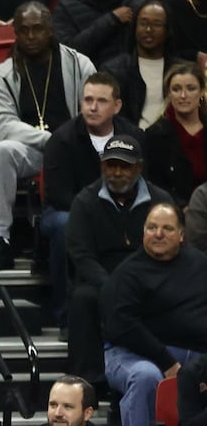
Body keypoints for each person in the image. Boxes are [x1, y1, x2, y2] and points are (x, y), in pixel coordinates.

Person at [0, 2, 97, 271]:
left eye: (37, 29)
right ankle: (1, 238)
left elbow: (93, 112)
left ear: (50, 30)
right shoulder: (4, 73)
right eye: (23, 31)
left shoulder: (80, 65)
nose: (31, 37)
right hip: (30, 149)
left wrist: (64, 140)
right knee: (2, 151)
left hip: (73, 149)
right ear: (16, 34)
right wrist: (49, 139)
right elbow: (3, 125)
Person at [102, 201, 207, 426]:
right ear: (143, 233)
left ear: (182, 235)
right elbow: (122, 326)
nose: (158, 234)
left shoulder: (200, 264)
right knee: (145, 377)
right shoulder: (127, 273)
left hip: (196, 356)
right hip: (132, 355)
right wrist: (166, 362)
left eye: (167, 228)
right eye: (152, 227)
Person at [64, 134, 172, 378]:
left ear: (139, 167)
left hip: (148, 280)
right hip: (101, 283)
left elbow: (171, 247)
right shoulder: (85, 201)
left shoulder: (160, 201)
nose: (117, 172)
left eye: (125, 166)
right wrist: (112, 286)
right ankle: (86, 382)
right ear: (102, 166)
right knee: (83, 299)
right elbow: (81, 254)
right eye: (112, 165)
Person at [40, 73, 143, 321]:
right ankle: (65, 313)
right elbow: (57, 194)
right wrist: (97, 214)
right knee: (66, 225)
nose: (92, 107)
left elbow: (143, 183)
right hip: (67, 210)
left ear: (117, 106)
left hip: (123, 206)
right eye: (87, 100)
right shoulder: (61, 140)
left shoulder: (134, 137)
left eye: (101, 101)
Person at [103, 2, 186, 128]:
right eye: (143, 23)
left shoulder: (181, 70)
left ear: (167, 30)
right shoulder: (113, 70)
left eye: (157, 24)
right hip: (130, 141)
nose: (148, 30)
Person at [142, 61, 207, 203]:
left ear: (202, 91)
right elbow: (154, 185)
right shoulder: (155, 135)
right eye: (176, 89)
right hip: (173, 212)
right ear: (169, 94)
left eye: (191, 88)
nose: (183, 95)